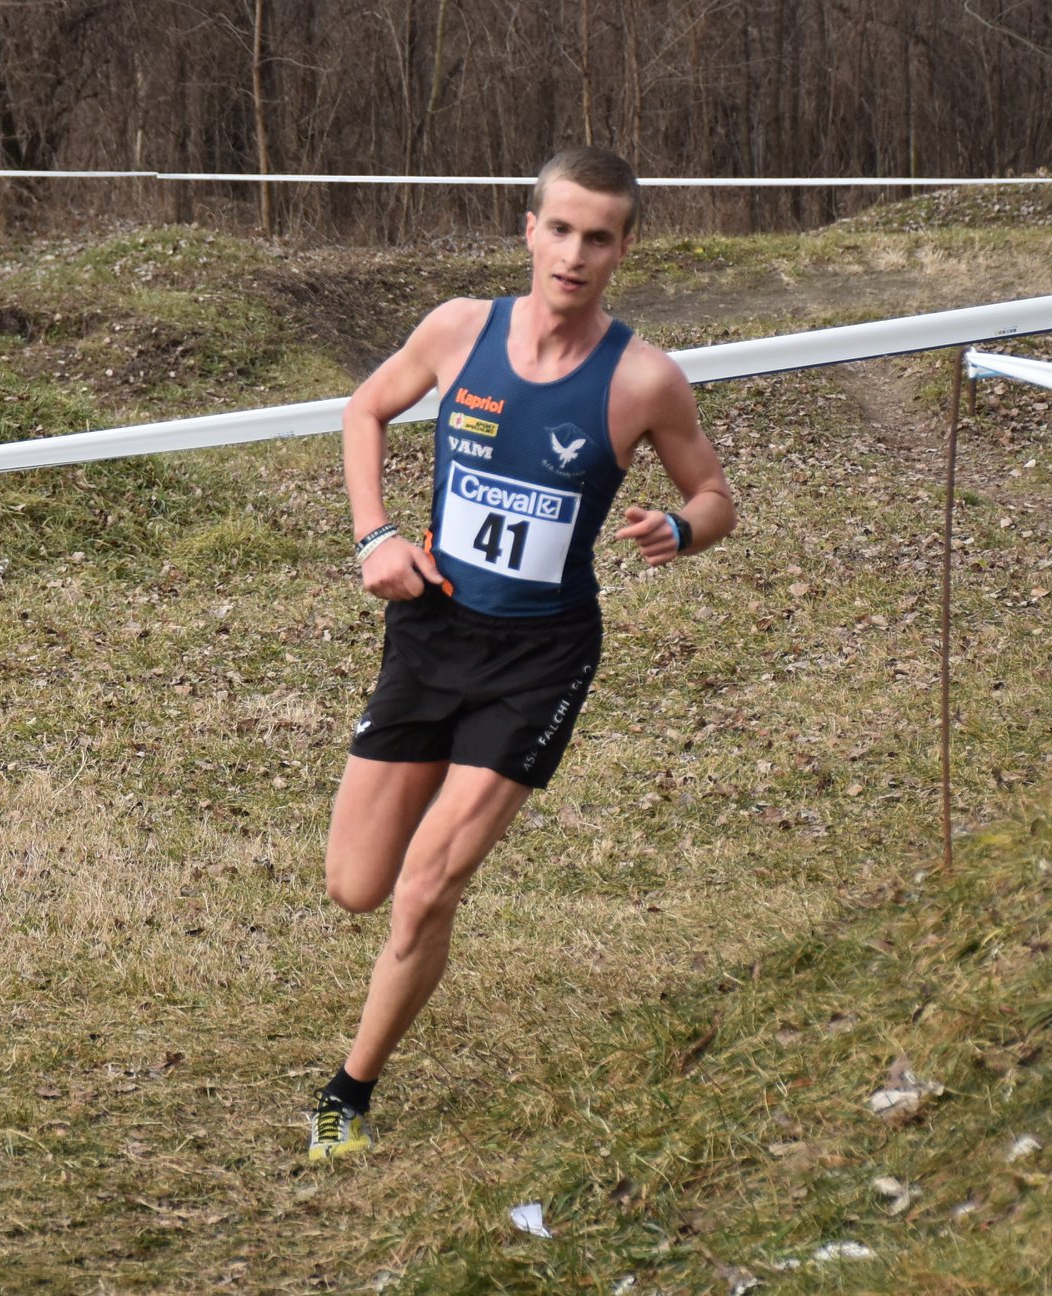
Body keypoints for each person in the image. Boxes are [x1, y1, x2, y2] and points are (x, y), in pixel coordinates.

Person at [308, 146, 736, 1161]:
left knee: (425, 888)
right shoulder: (460, 330)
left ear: (624, 248)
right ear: (530, 230)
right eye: (561, 229)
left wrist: (683, 530)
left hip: (539, 657)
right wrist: (375, 535)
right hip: (432, 629)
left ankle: (348, 1092)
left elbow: (715, 495)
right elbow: (364, 408)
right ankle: (409, 948)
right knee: (358, 885)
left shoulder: (642, 380)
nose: (576, 253)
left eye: (600, 236)